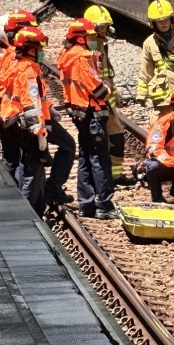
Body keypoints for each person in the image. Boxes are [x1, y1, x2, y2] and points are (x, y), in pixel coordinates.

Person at [58, 17, 119, 220]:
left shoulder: (67, 56)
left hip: (80, 114)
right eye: (90, 36)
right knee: (100, 159)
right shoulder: (82, 58)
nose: (93, 40)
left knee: (86, 156)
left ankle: (86, 203)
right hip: (93, 113)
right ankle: (104, 203)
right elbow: (98, 89)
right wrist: (108, 89)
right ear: (81, 38)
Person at [0, 26, 52, 215]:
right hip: (27, 127)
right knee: (32, 172)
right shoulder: (28, 71)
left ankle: (29, 210)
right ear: (31, 49)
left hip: (15, 121)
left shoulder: (18, 65)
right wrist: (40, 133)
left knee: (26, 168)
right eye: (40, 49)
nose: (42, 53)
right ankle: (30, 215)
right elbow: (31, 104)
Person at [0, 9, 36, 177]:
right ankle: (12, 188)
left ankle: (13, 184)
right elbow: (10, 82)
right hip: (9, 111)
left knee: (13, 154)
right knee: (15, 156)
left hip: (5, 111)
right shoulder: (5, 56)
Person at [85, 4, 128, 183]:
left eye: (104, 26)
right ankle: (108, 176)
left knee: (115, 138)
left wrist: (115, 95)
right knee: (110, 139)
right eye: (99, 26)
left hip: (106, 101)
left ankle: (115, 174)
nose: (102, 29)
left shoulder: (101, 45)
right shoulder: (92, 48)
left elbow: (107, 76)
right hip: (99, 102)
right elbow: (94, 78)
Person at [142, 86, 174, 203]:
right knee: (152, 167)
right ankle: (157, 197)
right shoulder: (165, 122)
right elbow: (155, 148)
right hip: (164, 165)